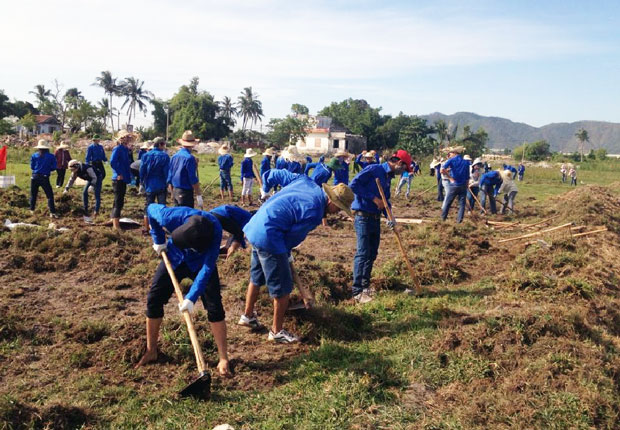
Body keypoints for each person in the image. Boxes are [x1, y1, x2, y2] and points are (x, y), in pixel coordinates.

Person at [239, 178, 354, 343]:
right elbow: (291, 239)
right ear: (331, 200)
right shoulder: (315, 212)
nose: (337, 212)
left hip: (256, 226)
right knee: (283, 288)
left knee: (256, 278)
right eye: (339, 208)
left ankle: (248, 316)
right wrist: (285, 253)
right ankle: (276, 332)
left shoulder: (307, 182)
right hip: (270, 236)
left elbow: (277, 174)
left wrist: (266, 187)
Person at [136, 204, 231, 377]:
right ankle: (151, 350)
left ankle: (223, 358)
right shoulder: (170, 216)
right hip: (174, 256)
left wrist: (191, 298)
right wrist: (158, 239)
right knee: (154, 298)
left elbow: (207, 268)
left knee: (214, 305)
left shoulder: (215, 232)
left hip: (200, 263)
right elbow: (150, 209)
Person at [349, 149, 412, 304]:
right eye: (404, 168)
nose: (403, 171)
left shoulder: (387, 177)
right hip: (362, 216)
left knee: (372, 253)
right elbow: (353, 185)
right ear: (398, 162)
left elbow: (385, 201)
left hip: (375, 218)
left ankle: (365, 286)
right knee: (363, 253)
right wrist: (373, 198)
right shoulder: (374, 169)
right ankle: (357, 291)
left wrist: (390, 216)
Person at [140, 137, 170, 231]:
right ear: (161, 144)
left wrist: (141, 182)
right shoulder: (165, 156)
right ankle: (161, 228)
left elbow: (142, 170)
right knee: (162, 207)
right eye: (164, 144)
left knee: (148, 206)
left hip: (149, 185)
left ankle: (147, 227)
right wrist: (168, 183)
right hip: (161, 184)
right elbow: (167, 172)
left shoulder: (146, 155)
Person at [168, 131, 203, 209]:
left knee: (177, 216)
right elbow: (192, 178)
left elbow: (170, 176)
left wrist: (172, 192)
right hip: (185, 192)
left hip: (176, 190)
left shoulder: (174, 157)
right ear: (192, 145)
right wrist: (198, 195)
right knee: (187, 217)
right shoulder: (189, 158)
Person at [110, 130, 135, 231]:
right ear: (122, 139)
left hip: (124, 177)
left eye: (129, 137)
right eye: (126, 137)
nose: (128, 139)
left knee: (118, 200)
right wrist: (119, 173)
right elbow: (113, 162)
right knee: (118, 201)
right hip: (119, 178)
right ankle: (116, 225)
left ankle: (113, 220)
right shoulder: (118, 148)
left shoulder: (125, 149)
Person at [440, 147, 470, 223]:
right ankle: (459, 221)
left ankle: (442, 220)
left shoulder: (451, 160)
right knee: (462, 205)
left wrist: (450, 178)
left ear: (454, 153)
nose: (449, 155)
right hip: (463, 185)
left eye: (450, 153)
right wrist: (466, 185)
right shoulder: (466, 162)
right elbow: (467, 176)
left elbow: (442, 170)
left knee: (447, 203)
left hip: (454, 184)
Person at [29, 139, 58, 218]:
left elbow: (32, 166)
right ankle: (52, 212)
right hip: (44, 177)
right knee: (49, 195)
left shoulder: (34, 155)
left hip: (34, 176)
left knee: (33, 194)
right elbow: (54, 167)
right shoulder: (51, 156)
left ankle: (31, 210)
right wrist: (48, 169)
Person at [85, 134, 107, 216]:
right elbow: (88, 157)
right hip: (94, 163)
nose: (96, 141)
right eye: (94, 140)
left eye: (97, 140)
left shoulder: (100, 147)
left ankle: (97, 184)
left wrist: (105, 160)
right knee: (94, 176)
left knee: (103, 174)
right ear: (93, 140)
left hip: (100, 163)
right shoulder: (90, 147)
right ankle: (93, 185)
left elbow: (103, 155)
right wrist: (87, 164)